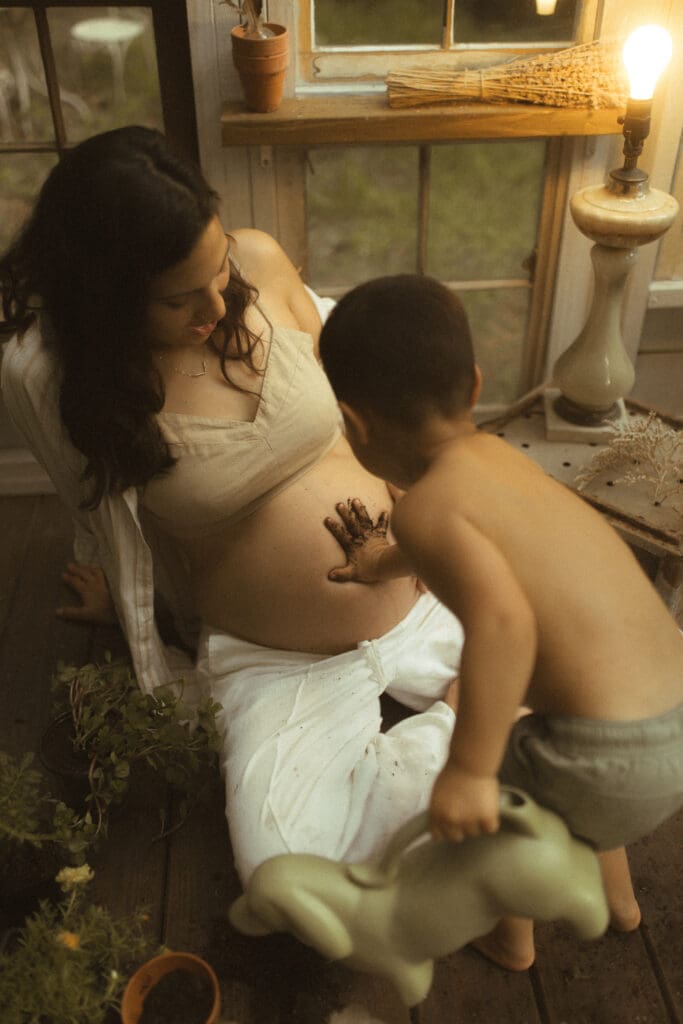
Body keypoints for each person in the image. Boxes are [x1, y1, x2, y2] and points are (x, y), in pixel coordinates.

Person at [0, 127, 465, 886]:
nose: (215, 306)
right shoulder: (66, 380)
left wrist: (424, 508)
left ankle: (471, 737)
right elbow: (96, 514)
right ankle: (473, 734)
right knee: (286, 868)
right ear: (107, 295)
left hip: (421, 572)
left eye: (217, 274)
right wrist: (124, 605)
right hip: (277, 657)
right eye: (180, 298)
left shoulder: (257, 261)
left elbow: (365, 393)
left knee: (591, 676)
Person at [318, 273, 683, 971]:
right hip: (667, 725)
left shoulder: (424, 507)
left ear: (354, 422)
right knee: (570, 791)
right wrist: (377, 565)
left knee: (500, 817)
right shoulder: (501, 464)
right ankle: (619, 904)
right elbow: (445, 548)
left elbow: (503, 621)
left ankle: (510, 940)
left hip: (602, 759)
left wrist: (468, 771)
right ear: (476, 380)